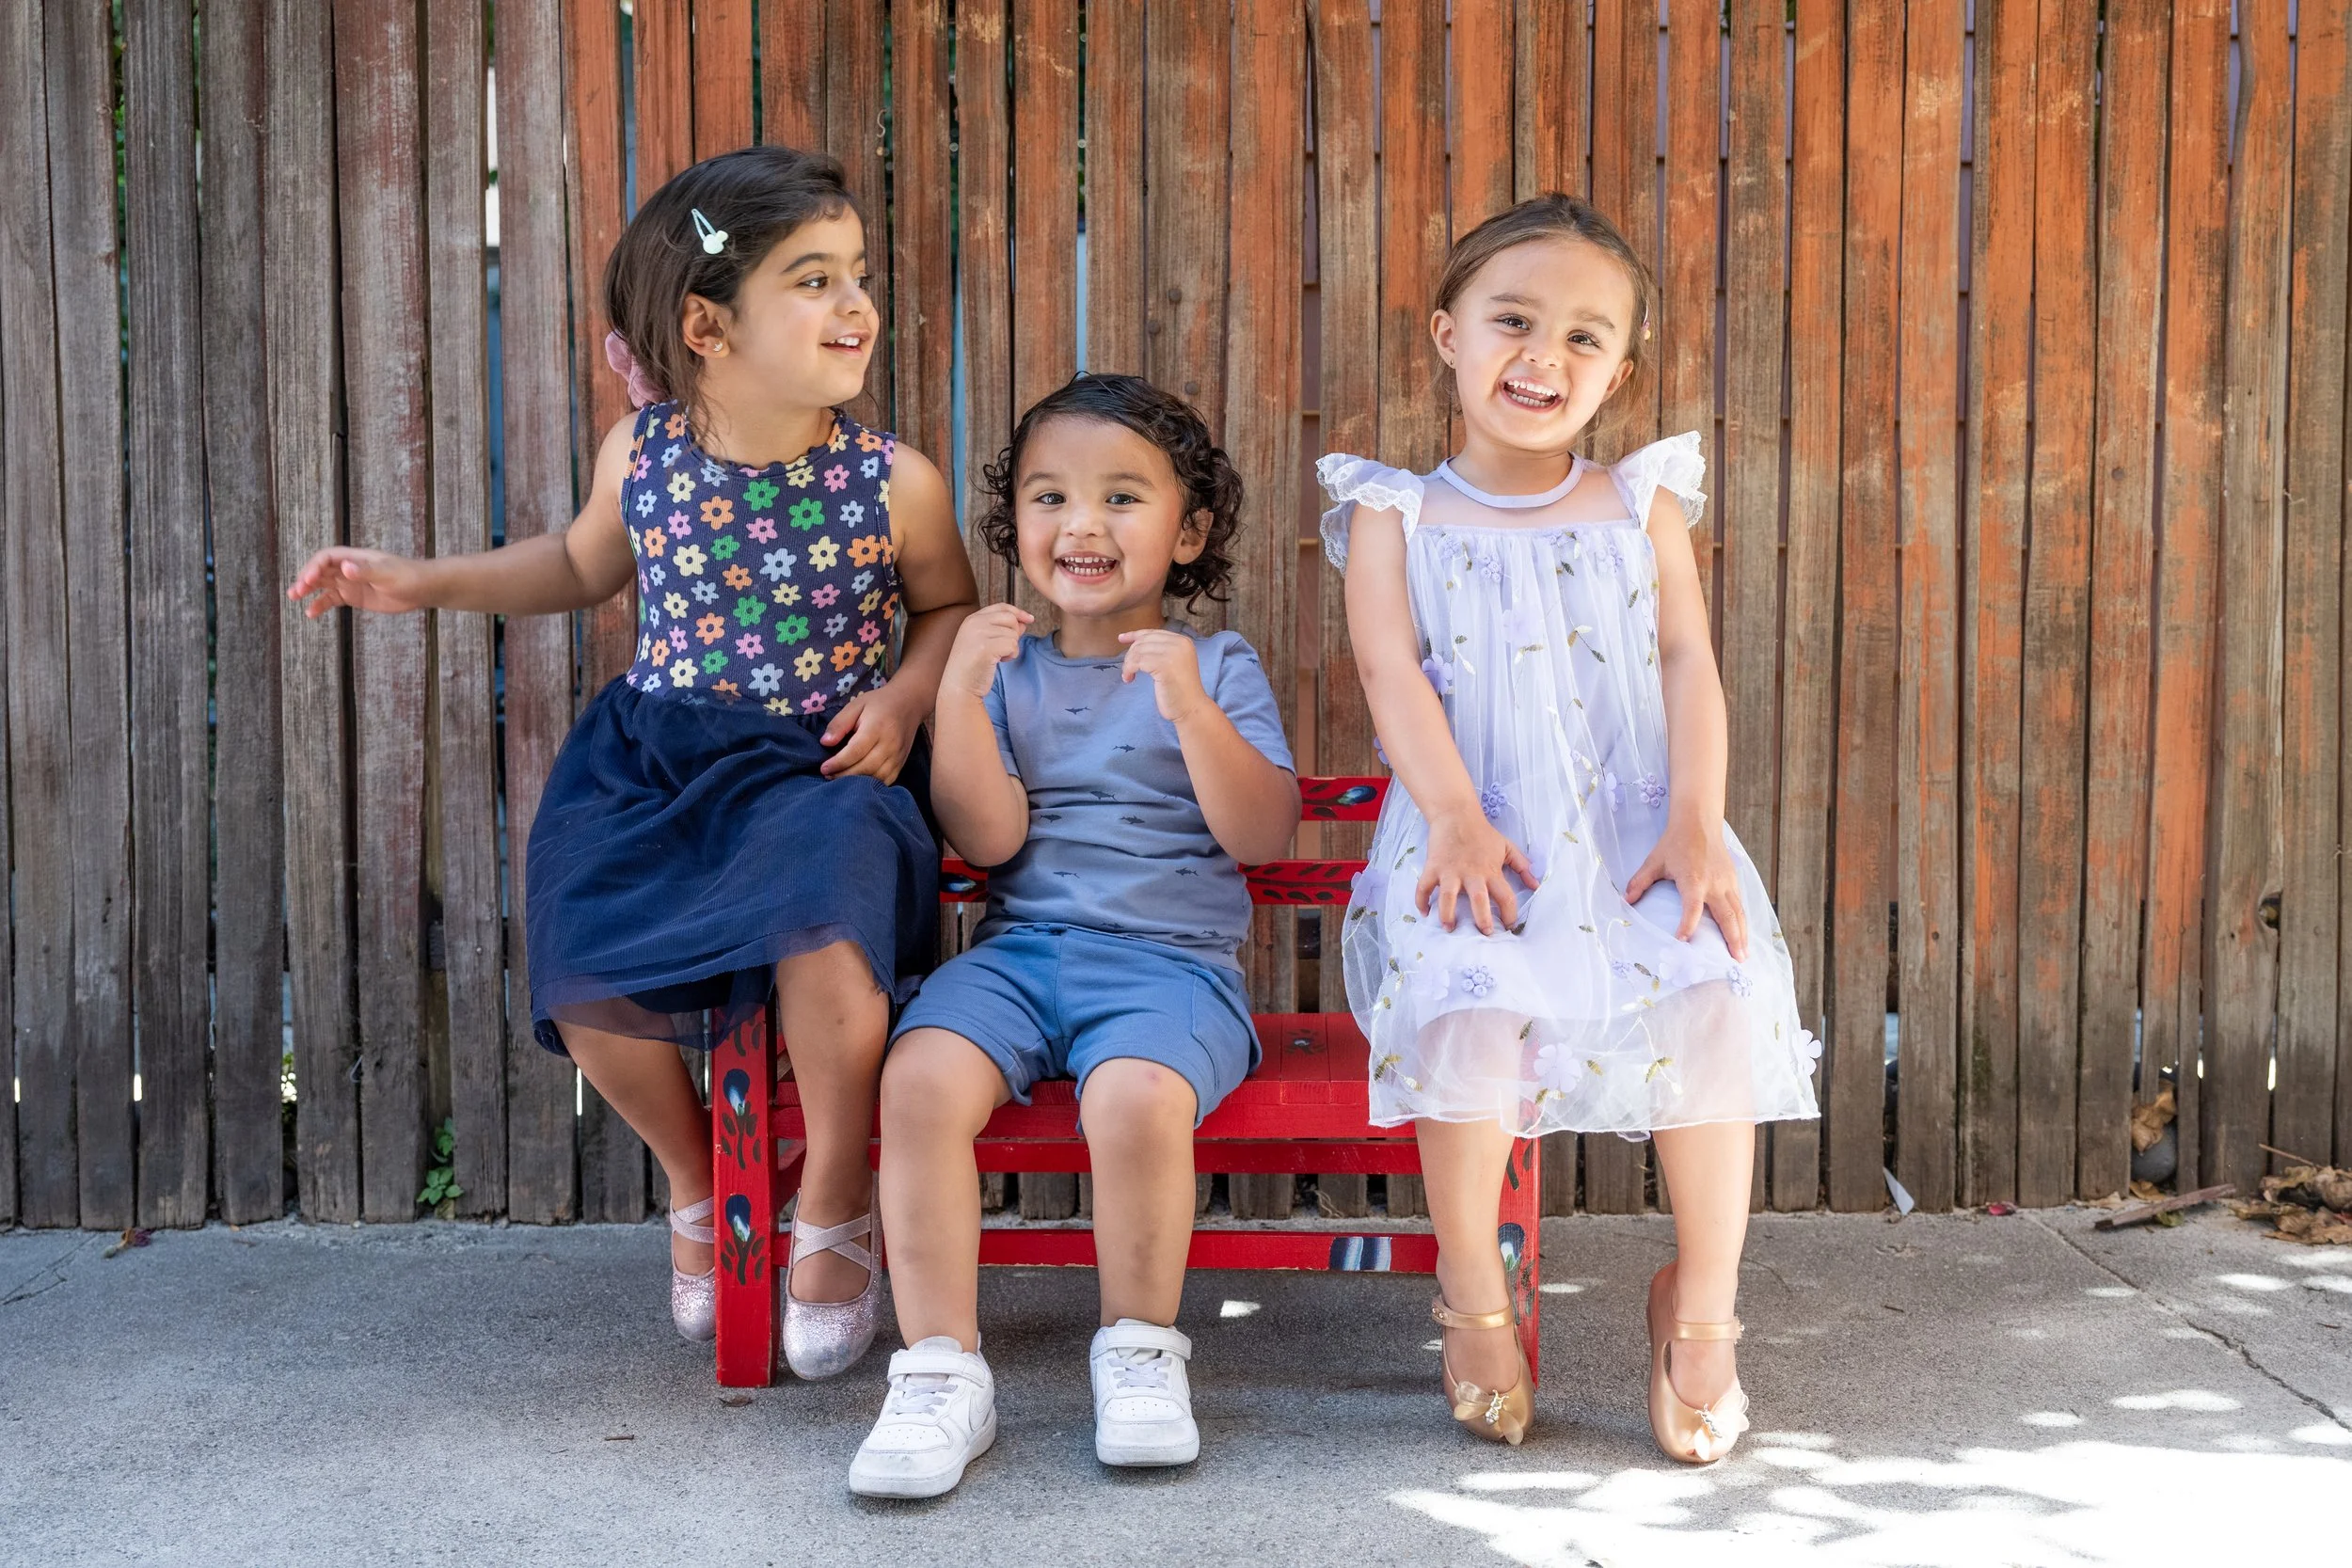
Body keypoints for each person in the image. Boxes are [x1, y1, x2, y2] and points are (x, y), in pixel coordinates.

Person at [287, 146, 976, 1377]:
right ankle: (701, 1181)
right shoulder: (642, 454)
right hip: (651, 759)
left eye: (856, 273)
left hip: (818, 765)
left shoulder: (893, 484)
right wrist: (415, 581)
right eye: (813, 279)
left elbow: (950, 611)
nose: (856, 304)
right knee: (582, 947)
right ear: (708, 325)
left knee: (827, 924)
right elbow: (575, 564)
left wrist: (906, 695)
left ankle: (831, 1195)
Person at [1319, 194, 1820, 1460]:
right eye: (1514, 321)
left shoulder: (1638, 502)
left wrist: (1701, 823)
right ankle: (1475, 1302)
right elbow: (1389, 674)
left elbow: (1686, 658)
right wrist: (1455, 820)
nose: (1544, 358)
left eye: (1585, 337)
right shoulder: (1397, 514)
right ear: (1447, 333)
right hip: (1477, 833)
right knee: (1467, 1006)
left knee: (1713, 993)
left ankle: (1702, 1308)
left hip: (1644, 826)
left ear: (1620, 370)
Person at [847, 375, 1300, 1498]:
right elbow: (990, 838)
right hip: (1020, 955)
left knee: (1135, 1097)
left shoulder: (1220, 664)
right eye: (1049, 496)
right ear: (1018, 528)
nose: (1081, 524)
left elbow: (1259, 831)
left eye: (1120, 497)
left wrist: (1190, 708)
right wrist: (957, 691)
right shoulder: (1010, 672)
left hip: (1170, 970)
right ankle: (942, 1368)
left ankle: (1140, 1348)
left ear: (1186, 530)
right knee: (914, 1078)